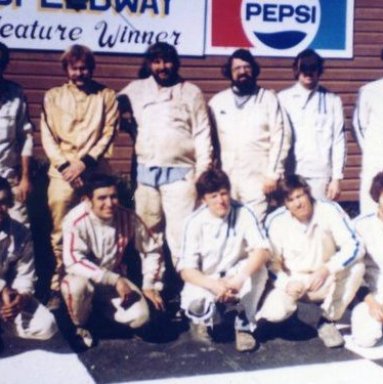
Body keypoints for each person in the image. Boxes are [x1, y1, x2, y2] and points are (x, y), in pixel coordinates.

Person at [119, 42, 213, 267]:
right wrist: (123, 113)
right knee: (147, 232)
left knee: (181, 233)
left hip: (181, 173)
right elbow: (111, 103)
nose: (162, 67)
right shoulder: (136, 88)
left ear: (176, 63)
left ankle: (186, 288)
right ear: (149, 64)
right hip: (145, 173)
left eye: (167, 61)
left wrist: (203, 171)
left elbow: (202, 132)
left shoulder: (191, 91)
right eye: (157, 61)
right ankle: (153, 286)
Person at [40, 45, 119, 308]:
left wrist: (83, 164)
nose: (79, 73)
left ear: (91, 68)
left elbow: (108, 132)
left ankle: (100, 285)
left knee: (99, 226)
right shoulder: (52, 96)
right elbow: (48, 137)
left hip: (94, 172)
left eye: (84, 67)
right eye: (74, 68)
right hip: (62, 174)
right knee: (60, 230)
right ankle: (58, 283)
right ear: (67, 70)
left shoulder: (106, 96)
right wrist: (65, 167)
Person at [258, 175, 364, 348]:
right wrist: (286, 283)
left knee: (356, 268)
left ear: (308, 193)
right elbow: (270, 263)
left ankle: (327, 320)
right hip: (294, 280)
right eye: (291, 200)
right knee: (274, 313)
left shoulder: (329, 210)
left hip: (324, 277)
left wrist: (327, 269)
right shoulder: (276, 220)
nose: (298, 204)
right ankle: (289, 318)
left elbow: (355, 245)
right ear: (285, 204)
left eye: (300, 196)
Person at [60, 174, 165, 349]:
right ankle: (80, 325)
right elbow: (72, 261)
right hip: (85, 280)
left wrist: (149, 284)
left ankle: (101, 316)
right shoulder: (74, 220)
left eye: (113, 196)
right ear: (87, 200)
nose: (109, 203)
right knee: (76, 287)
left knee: (141, 317)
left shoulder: (128, 217)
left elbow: (152, 249)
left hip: (114, 282)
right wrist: (114, 279)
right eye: (102, 198)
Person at [178, 169, 270, 352]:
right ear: (204, 200)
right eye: (213, 196)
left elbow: (262, 250)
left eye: (224, 193)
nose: (221, 200)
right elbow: (186, 270)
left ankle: (244, 325)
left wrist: (240, 279)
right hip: (208, 279)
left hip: (235, 275)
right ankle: (205, 319)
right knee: (197, 306)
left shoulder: (244, 212)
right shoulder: (193, 222)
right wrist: (213, 285)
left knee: (260, 270)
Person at [209, 49, 290, 222]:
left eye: (247, 67)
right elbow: (208, 141)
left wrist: (273, 174)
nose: (242, 72)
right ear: (229, 72)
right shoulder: (217, 102)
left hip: (258, 178)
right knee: (227, 224)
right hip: (227, 177)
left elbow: (281, 138)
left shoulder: (268, 99)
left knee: (254, 224)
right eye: (237, 68)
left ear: (254, 69)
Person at [278, 49, 346, 201]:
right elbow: (277, 140)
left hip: (321, 176)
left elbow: (338, 142)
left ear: (319, 70)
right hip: (291, 174)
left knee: (319, 221)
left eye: (313, 69)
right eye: (304, 69)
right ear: (296, 70)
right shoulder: (283, 99)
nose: (308, 74)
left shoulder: (332, 100)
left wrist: (336, 179)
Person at [0, 177, 57, 346]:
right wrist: (2, 288)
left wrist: (21, 298)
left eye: (3, 202)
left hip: (4, 297)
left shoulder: (20, 232)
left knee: (47, 325)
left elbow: (25, 273)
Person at [0, 42, 33, 226]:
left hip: (9, 179)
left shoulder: (16, 94)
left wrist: (25, 178)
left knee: (20, 230)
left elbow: (26, 137)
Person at [351, 171, 383, 347]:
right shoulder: (360, 226)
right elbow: (352, 271)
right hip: (373, 295)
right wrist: (371, 303)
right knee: (366, 338)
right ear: (377, 196)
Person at [353, 55, 383, 214]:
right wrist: (372, 151)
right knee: (371, 202)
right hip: (376, 158)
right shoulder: (369, 91)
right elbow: (359, 125)